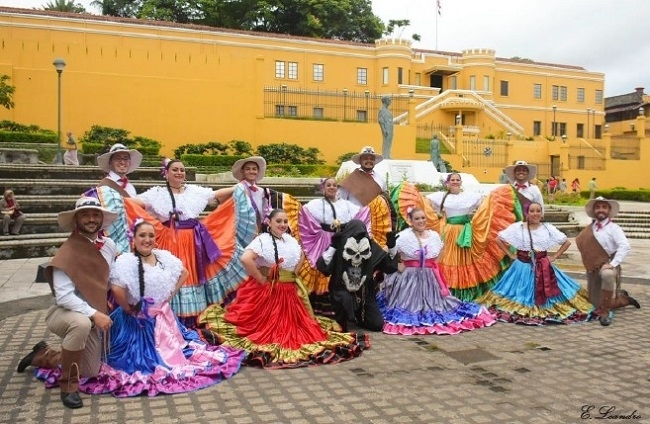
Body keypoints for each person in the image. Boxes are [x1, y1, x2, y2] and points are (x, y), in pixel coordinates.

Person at [78, 220, 245, 397]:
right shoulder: (126, 261)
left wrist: (169, 296)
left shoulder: (163, 257)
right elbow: (117, 289)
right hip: (135, 324)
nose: (147, 239)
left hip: (163, 318)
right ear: (133, 239)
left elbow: (184, 272)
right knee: (137, 363)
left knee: (180, 354)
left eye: (151, 235)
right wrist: (129, 309)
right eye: (142, 235)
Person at [198, 209, 369, 368]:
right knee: (270, 329)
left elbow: (301, 254)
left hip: (288, 291)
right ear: (269, 222)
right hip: (269, 291)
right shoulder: (263, 240)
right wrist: (260, 277)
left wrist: (293, 273)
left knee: (296, 328)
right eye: (278, 221)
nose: (282, 224)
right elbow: (245, 259)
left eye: (285, 221)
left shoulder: (290, 240)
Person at [16, 197, 118, 409]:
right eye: (85, 214)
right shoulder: (67, 253)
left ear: (101, 219)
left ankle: (44, 354)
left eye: (95, 214)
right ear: (75, 220)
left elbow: (111, 278)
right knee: (80, 324)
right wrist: (95, 314)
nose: (91, 219)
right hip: (64, 312)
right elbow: (64, 297)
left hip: (93, 313)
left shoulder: (109, 245)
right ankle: (68, 387)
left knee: (90, 370)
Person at [125, 158, 251, 325]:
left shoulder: (194, 191)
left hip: (194, 241)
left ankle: (192, 321)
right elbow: (135, 203)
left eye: (182, 170)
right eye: (175, 169)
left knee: (191, 275)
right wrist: (114, 197)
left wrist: (239, 187)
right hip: (169, 240)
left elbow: (216, 195)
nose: (179, 172)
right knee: (173, 274)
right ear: (166, 173)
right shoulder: (156, 194)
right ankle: (169, 319)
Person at [377, 208, 495, 335]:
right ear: (410, 221)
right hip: (408, 281)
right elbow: (388, 253)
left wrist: (433, 265)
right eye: (417, 218)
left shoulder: (433, 235)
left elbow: (441, 250)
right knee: (407, 307)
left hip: (430, 279)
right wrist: (395, 256)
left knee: (440, 306)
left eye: (423, 218)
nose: (421, 221)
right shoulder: (404, 236)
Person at [477, 202, 594, 325]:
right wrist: (511, 254)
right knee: (515, 293)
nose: (535, 214)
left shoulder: (548, 228)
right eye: (532, 211)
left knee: (560, 290)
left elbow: (566, 242)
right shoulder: (518, 227)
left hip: (544, 267)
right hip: (521, 267)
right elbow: (498, 239)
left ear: (542, 213)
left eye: (538, 211)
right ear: (526, 213)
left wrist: (554, 256)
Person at [423, 173, 507, 301]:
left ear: (461, 182)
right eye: (453, 180)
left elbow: (487, 202)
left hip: (466, 233)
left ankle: (466, 291)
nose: (455, 182)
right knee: (448, 259)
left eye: (457, 180)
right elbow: (425, 202)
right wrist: (436, 218)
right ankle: (447, 289)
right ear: (448, 183)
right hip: (449, 233)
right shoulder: (440, 196)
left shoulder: (469, 196)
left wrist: (480, 219)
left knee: (466, 260)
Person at [317, 219, 399, 332]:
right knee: (340, 328)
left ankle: (357, 316)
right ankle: (345, 315)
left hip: (365, 295)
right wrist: (333, 246)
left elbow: (389, 267)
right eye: (351, 252)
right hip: (341, 293)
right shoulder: (341, 246)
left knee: (377, 324)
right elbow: (324, 268)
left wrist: (392, 247)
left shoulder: (370, 246)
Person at [575, 197, 640, 326]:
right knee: (594, 303)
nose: (601, 210)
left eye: (604, 207)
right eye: (598, 207)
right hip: (594, 268)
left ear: (609, 210)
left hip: (609, 264)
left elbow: (625, 246)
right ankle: (621, 298)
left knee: (607, 275)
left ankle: (605, 312)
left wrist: (612, 264)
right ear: (594, 210)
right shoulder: (590, 228)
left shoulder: (614, 228)